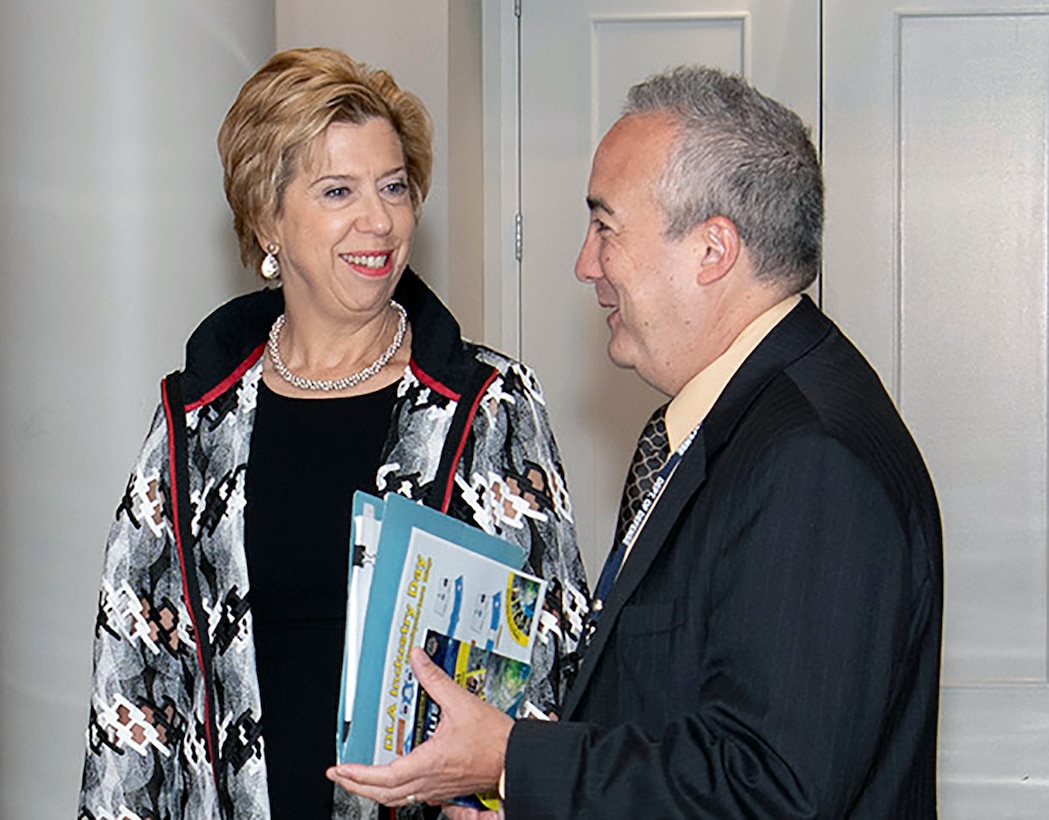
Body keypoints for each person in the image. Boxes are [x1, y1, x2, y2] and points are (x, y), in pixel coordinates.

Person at [329, 65, 943, 818]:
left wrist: (513, 760)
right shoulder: (713, 426)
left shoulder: (810, 459)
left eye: (605, 227)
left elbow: (769, 791)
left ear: (712, 251)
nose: (585, 265)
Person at [78, 47, 587, 820]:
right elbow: (135, 680)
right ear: (266, 219)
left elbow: (553, 661)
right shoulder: (194, 420)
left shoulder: (486, 406)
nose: (377, 220)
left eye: (394, 187)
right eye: (337, 191)